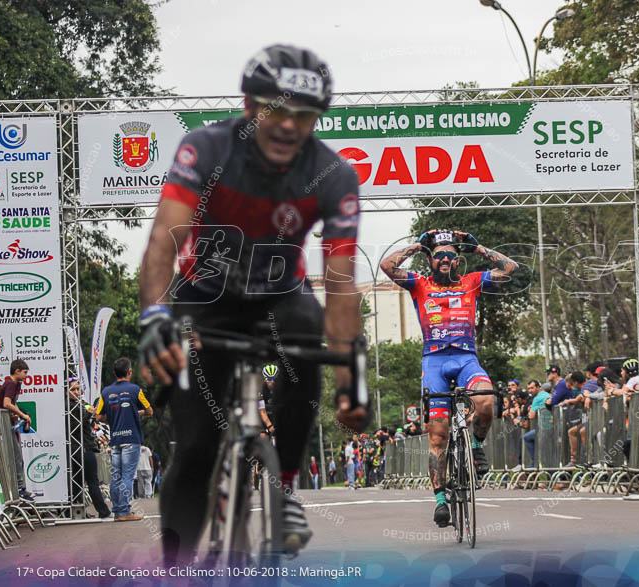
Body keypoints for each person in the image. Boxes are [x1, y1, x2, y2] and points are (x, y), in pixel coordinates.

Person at [136, 45, 366, 562]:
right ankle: (175, 566)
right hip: (205, 296)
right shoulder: (206, 149)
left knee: (307, 338)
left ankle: (284, 488)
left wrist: (351, 381)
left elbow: (342, 284)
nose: (288, 125)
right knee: (194, 448)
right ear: (247, 105)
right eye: (275, 110)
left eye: (304, 115)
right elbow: (161, 243)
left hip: (281, 294)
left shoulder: (333, 174)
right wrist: (154, 316)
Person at [380, 228, 518, 527]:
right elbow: (387, 266)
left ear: (458, 261)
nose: (444, 259)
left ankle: (478, 448)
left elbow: (509, 269)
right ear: (431, 261)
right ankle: (441, 499)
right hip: (434, 362)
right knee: (439, 436)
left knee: (485, 401)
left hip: (466, 358)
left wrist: (477, 247)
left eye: (450, 256)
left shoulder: (472, 281)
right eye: (439, 255)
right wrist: (418, 246)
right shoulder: (420, 284)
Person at [95, 358, 153, 521]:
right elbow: (150, 411)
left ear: (114, 373)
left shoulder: (106, 392)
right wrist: (137, 413)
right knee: (127, 475)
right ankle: (124, 512)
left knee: (116, 476)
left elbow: (98, 416)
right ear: (129, 372)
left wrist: (112, 418)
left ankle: (117, 511)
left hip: (115, 440)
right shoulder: (135, 390)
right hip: (132, 438)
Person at [66, 378, 110, 517]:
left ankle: (76, 512)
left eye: (78, 389)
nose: (76, 392)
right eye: (73, 389)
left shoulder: (80, 404)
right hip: (80, 448)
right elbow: (75, 426)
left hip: (85, 446)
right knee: (91, 481)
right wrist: (89, 413)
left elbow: (89, 424)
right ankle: (103, 511)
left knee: (78, 483)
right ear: (66, 392)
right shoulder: (68, 406)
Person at [0, 359, 35, 501]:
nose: (26, 376)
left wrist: (19, 414)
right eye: (25, 373)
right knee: (15, 456)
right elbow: (6, 403)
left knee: (16, 456)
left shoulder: (15, 384)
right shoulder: (11, 383)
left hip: (8, 424)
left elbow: (11, 404)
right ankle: (19, 488)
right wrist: (22, 414)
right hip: (2, 425)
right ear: (17, 371)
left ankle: (20, 487)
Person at [521, 379, 552, 466]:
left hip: (544, 428)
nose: (530, 391)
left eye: (532, 388)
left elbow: (531, 416)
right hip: (551, 427)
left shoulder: (537, 398)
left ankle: (534, 463)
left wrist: (530, 410)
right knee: (548, 454)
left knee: (527, 437)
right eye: (528, 388)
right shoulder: (546, 394)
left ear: (538, 387)